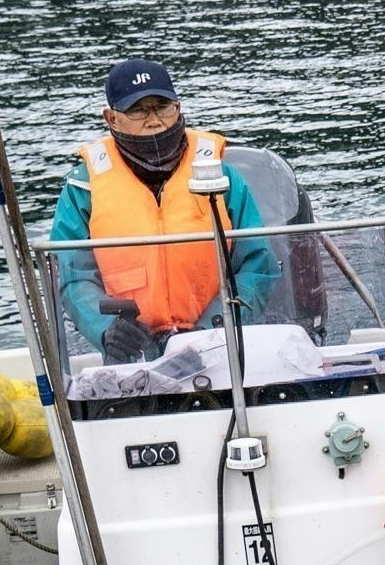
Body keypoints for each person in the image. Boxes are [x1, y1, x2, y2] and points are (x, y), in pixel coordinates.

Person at [48, 58, 277, 363]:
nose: (154, 120)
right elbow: (73, 277)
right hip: (132, 354)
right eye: (139, 110)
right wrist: (107, 330)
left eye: (163, 106)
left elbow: (258, 265)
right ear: (112, 118)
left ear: (178, 108)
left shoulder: (221, 175)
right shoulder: (83, 187)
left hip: (219, 347)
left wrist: (213, 328)